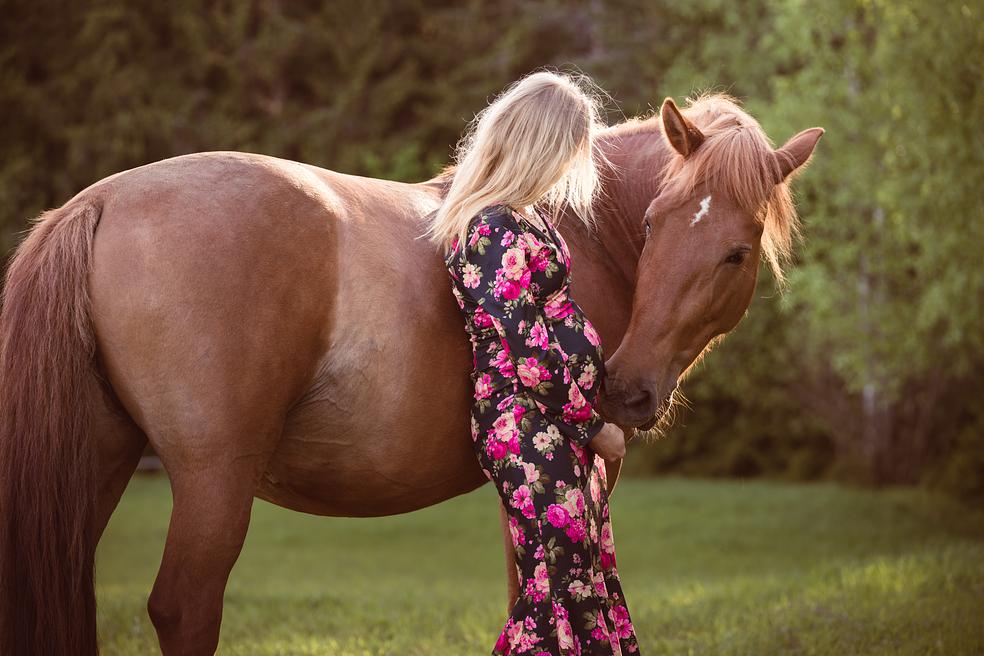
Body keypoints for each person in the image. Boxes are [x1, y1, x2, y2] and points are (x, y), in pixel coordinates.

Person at [423, 69, 640, 655]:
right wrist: (592, 426)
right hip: (526, 425)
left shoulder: (525, 216)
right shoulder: (490, 227)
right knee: (556, 588)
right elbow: (525, 347)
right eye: (568, 150)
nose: (572, 165)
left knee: (582, 579)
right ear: (540, 145)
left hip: (552, 424)